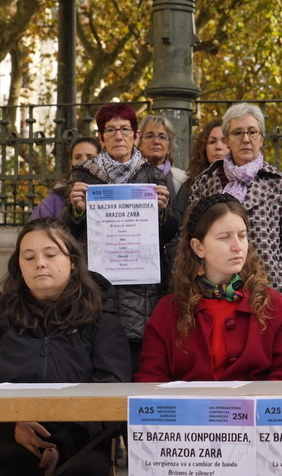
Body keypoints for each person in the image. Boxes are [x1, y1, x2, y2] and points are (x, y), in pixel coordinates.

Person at [0, 218, 131, 476]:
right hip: (3, 439)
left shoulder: (102, 322)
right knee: (8, 472)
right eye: (29, 257)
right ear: (19, 268)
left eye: (50, 254)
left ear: (72, 261)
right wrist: (9, 427)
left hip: (82, 444)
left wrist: (62, 445)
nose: (39, 263)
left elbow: (113, 392)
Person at [134, 193, 282, 382]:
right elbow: (150, 382)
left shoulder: (274, 307)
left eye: (242, 236)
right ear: (198, 247)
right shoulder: (169, 311)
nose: (237, 246)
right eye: (224, 237)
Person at [61, 102, 178, 370]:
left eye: (125, 129)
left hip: (142, 292)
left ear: (136, 136)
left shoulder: (152, 174)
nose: (118, 136)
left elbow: (169, 233)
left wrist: (162, 213)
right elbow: (66, 232)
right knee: (100, 364)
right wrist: (76, 211)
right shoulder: (83, 174)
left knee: (139, 368)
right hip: (97, 287)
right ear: (100, 137)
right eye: (110, 130)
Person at [189, 103, 282, 323]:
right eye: (237, 132)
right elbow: (189, 232)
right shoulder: (207, 181)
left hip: (269, 287)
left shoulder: (278, 182)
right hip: (215, 290)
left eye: (252, 132)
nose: (246, 139)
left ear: (261, 138)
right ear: (226, 140)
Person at [138, 114, 188, 285]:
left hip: (175, 263)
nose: (156, 141)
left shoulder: (182, 180)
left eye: (162, 137)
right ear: (139, 143)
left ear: (169, 146)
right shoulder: (129, 178)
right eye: (150, 136)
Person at [30, 137, 101, 220]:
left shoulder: (111, 193)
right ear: (71, 165)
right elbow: (34, 230)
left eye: (90, 157)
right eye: (78, 157)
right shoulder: (54, 200)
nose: (83, 162)